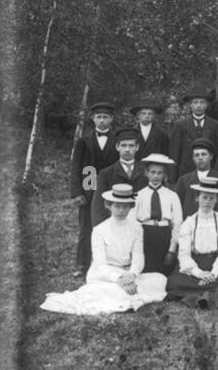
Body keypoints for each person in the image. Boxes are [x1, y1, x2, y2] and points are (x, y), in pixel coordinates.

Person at [41, 184, 170, 315]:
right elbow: (100, 265)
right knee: (119, 290)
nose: (121, 211)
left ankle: (126, 291)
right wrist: (119, 280)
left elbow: (138, 257)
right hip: (106, 274)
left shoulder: (136, 228)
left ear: (131, 207)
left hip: (127, 272)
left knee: (160, 279)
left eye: (125, 207)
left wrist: (132, 275)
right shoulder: (99, 230)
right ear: (109, 206)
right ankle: (122, 293)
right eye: (117, 206)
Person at [167, 178, 218, 304]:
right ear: (197, 198)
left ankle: (203, 291)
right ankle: (207, 290)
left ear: (216, 199)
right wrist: (199, 273)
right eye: (204, 197)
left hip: (215, 263)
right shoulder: (189, 222)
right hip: (195, 264)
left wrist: (214, 273)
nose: (207, 202)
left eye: (211, 198)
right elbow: (183, 254)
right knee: (173, 282)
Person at [70, 100, 119, 269]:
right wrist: (77, 192)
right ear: (93, 119)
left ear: (111, 119)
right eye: (99, 117)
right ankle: (82, 264)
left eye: (105, 117)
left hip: (111, 187)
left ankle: (110, 263)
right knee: (86, 226)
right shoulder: (83, 141)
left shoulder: (118, 140)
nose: (102, 120)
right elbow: (76, 168)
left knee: (112, 224)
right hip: (88, 185)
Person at [135, 153, 182, 273]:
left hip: (164, 235)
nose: (156, 176)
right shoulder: (139, 195)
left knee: (164, 269)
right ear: (146, 173)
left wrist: (172, 249)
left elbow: (177, 224)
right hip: (145, 234)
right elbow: (133, 222)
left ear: (164, 175)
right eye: (153, 172)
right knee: (146, 269)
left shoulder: (172, 195)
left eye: (160, 173)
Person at [92, 129, 147, 227]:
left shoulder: (146, 172)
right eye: (123, 145)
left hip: (141, 224)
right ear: (117, 147)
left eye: (131, 146)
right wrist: (100, 228)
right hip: (115, 224)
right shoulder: (106, 173)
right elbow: (99, 206)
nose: (127, 149)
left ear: (137, 147)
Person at [171, 86, 218, 175]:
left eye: (202, 102)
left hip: (209, 171)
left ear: (207, 104)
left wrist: (217, 174)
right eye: (195, 102)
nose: (199, 105)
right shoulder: (180, 125)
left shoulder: (215, 125)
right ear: (190, 105)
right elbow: (174, 154)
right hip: (186, 172)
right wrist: (173, 178)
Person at [176, 142, 218, 218]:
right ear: (193, 158)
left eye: (204, 154)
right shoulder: (184, 180)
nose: (200, 158)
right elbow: (177, 207)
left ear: (211, 156)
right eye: (196, 155)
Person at [130, 97, 171, 170]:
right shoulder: (131, 132)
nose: (146, 116)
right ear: (138, 115)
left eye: (150, 113)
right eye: (143, 113)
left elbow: (166, 153)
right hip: (135, 169)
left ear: (154, 116)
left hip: (155, 169)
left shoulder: (162, 133)